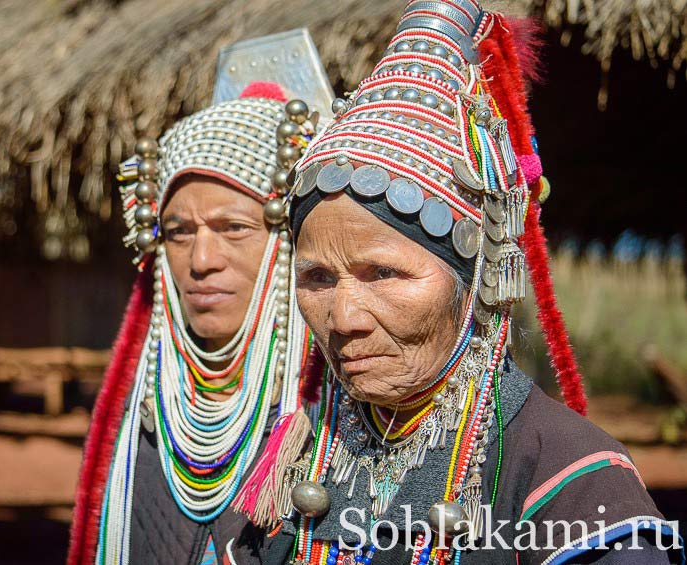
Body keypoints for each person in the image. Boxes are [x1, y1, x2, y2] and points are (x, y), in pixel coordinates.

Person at [234, 2, 684, 564]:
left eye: (384, 274)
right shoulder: (297, 457)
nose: (343, 318)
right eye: (319, 279)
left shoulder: (569, 478)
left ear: (474, 282)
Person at [67, 32, 334, 565]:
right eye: (178, 231)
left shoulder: (342, 419)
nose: (201, 259)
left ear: (290, 243)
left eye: (233, 227)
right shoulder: (147, 419)